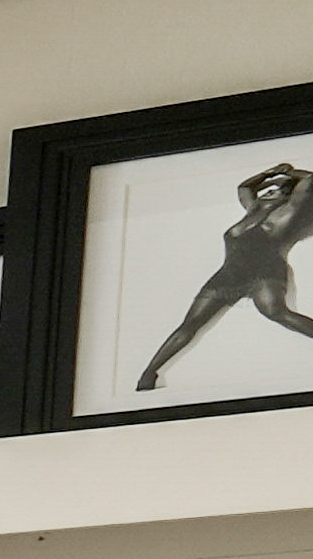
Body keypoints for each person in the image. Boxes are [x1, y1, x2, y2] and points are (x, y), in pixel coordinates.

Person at [130, 154, 313, 396]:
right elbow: (245, 187)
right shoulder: (253, 209)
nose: (267, 193)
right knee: (190, 324)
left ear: (287, 198)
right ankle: (149, 372)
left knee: (276, 312)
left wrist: (289, 173)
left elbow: (309, 179)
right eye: (267, 191)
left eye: (275, 192)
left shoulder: (289, 214)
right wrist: (269, 174)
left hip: (265, 272)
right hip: (229, 274)